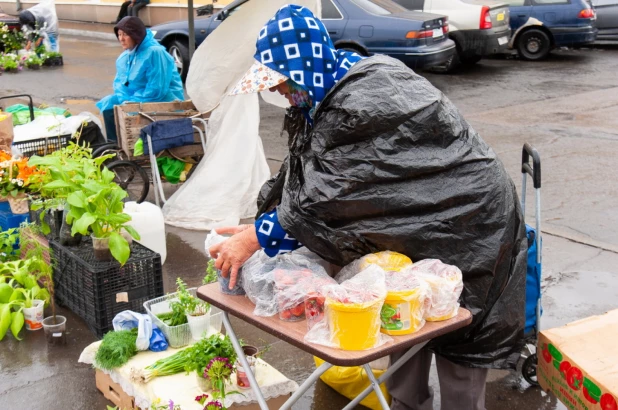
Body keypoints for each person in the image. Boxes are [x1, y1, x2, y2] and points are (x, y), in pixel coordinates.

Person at [209, 5, 527, 410]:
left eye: (281, 80)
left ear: (305, 67)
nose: (275, 90)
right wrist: (257, 225)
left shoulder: (363, 98)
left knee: (458, 346)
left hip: (472, 226)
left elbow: (332, 194)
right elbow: (304, 176)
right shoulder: (324, 94)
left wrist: (258, 237)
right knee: (404, 327)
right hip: (416, 232)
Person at [96, 16, 184, 141]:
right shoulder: (125, 56)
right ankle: (115, 146)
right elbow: (120, 84)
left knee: (125, 110)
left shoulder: (155, 53)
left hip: (163, 100)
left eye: (125, 34)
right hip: (138, 97)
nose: (121, 39)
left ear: (136, 35)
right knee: (109, 104)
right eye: (119, 34)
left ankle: (128, 144)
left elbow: (157, 89)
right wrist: (125, 100)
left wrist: (131, 102)